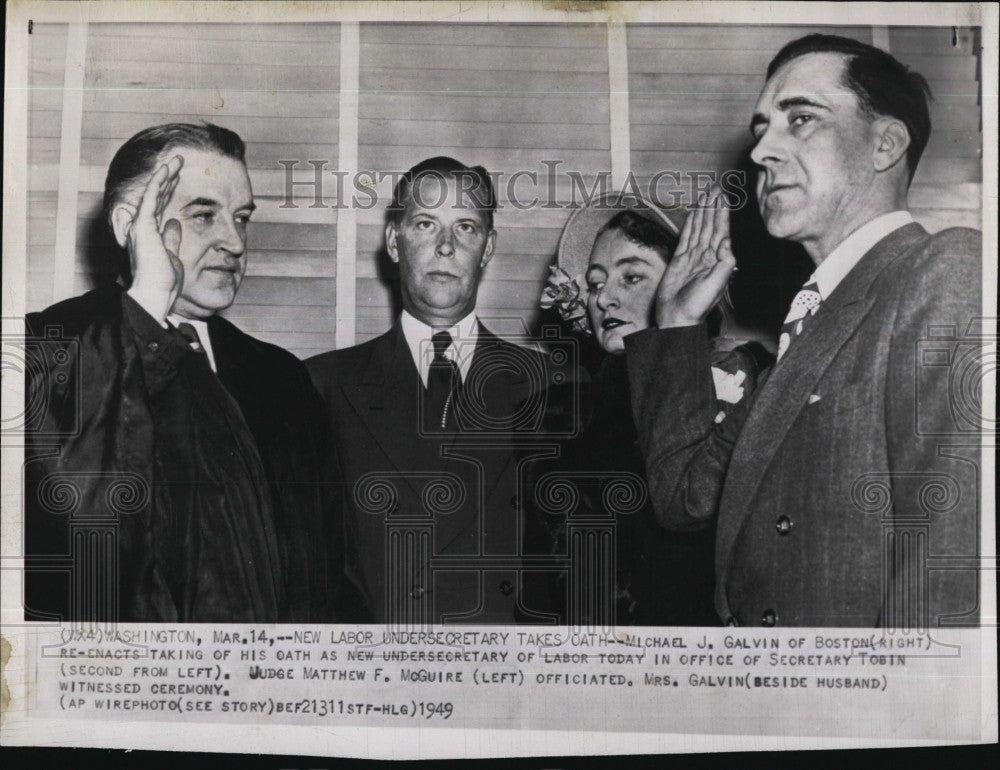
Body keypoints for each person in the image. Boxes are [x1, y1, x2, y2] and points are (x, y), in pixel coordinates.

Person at [625, 35, 982, 628]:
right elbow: (683, 498)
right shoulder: (809, 331)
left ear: (885, 144)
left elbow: (950, 565)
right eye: (762, 127)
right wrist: (678, 323)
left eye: (801, 119)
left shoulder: (943, 272)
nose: (762, 149)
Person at [24, 123, 363, 623]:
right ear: (128, 227)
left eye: (242, 218)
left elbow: (331, 581)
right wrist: (148, 302)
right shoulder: (50, 348)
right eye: (204, 215)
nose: (234, 241)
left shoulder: (283, 378)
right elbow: (79, 530)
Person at [307, 157, 552, 625]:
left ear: (487, 248)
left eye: (465, 227)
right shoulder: (322, 387)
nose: (445, 247)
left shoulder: (549, 387)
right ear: (393, 242)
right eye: (425, 224)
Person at [525, 194, 771, 626]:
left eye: (632, 277)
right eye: (596, 283)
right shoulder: (557, 418)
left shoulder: (744, 380)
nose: (603, 299)